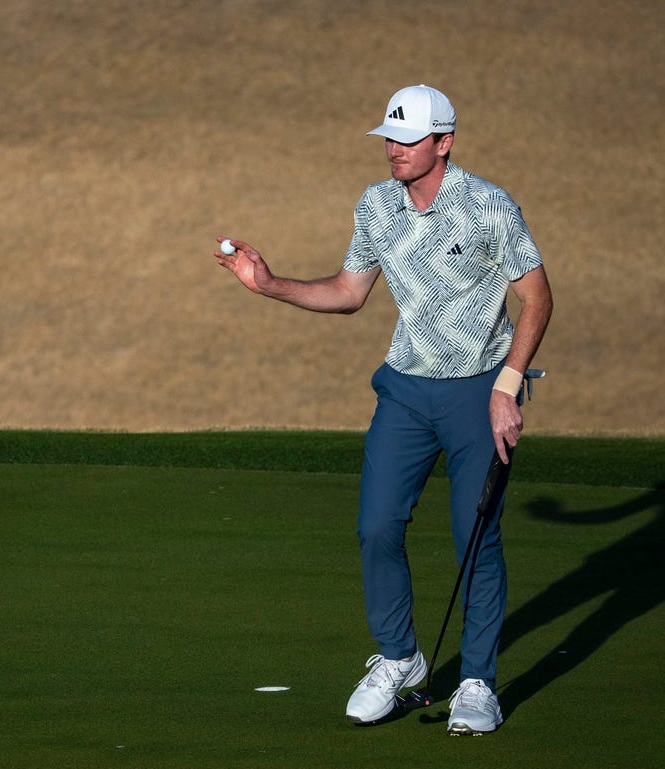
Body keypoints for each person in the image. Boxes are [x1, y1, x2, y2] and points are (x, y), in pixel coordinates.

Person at [215, 84, 553, 735]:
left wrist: (508, 385)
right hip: (404, 390)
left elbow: (537, 298)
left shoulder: (488, 207)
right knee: (376, 526)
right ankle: (400, 657)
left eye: (407, 139)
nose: (394, 150)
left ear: (443, 142)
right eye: (390, 139)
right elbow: (348, 293)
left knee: (474, 535)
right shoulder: (376, 207)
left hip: (479, 390)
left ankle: (478, 683)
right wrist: (271, 285)